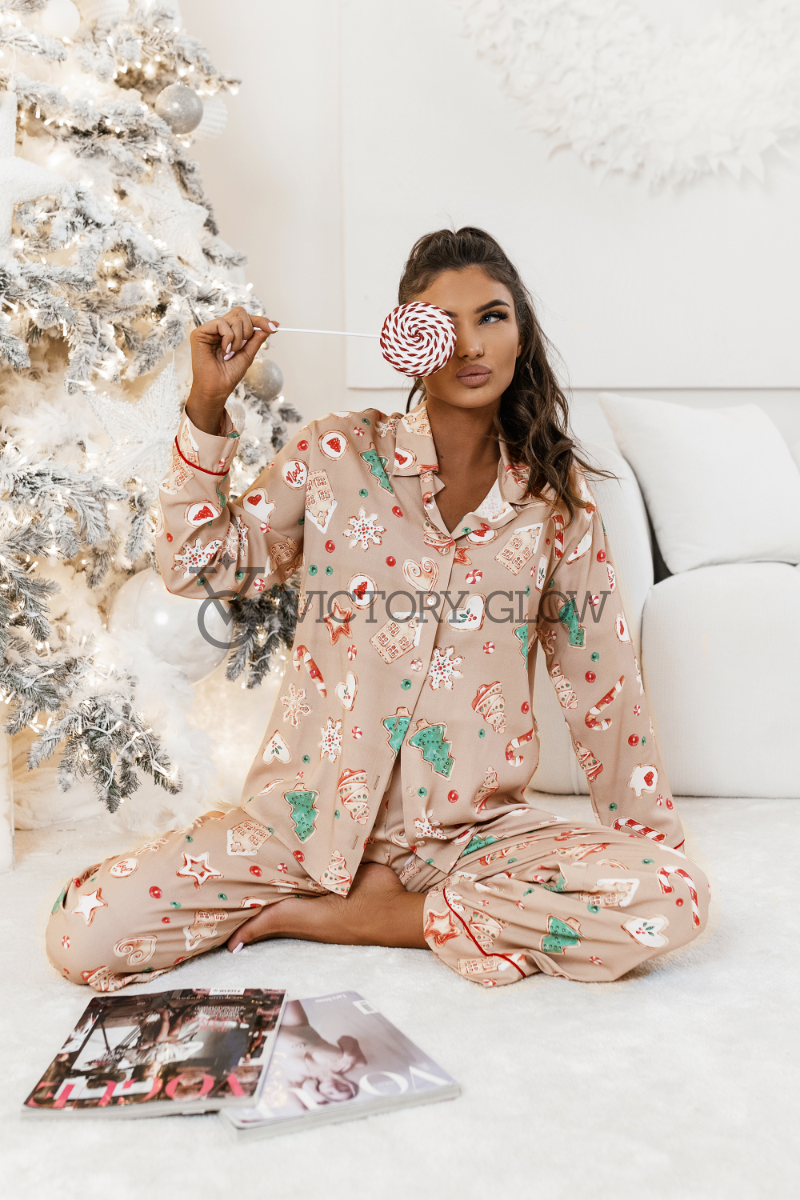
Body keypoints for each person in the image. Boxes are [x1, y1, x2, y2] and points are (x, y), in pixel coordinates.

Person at [46, 227, 710, 991]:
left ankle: (365, 916)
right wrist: (206, 405)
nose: (471, 344)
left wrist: (652, 851)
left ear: (522, 334)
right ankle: (358, 900)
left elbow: (606, 692)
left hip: (469, 840)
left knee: (674, 899)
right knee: (82, 931)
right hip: (303, 824)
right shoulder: (334, 456)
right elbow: (198, 565)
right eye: (444, 323)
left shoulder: (552, 503)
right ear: (408, 343)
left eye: (492, 317)